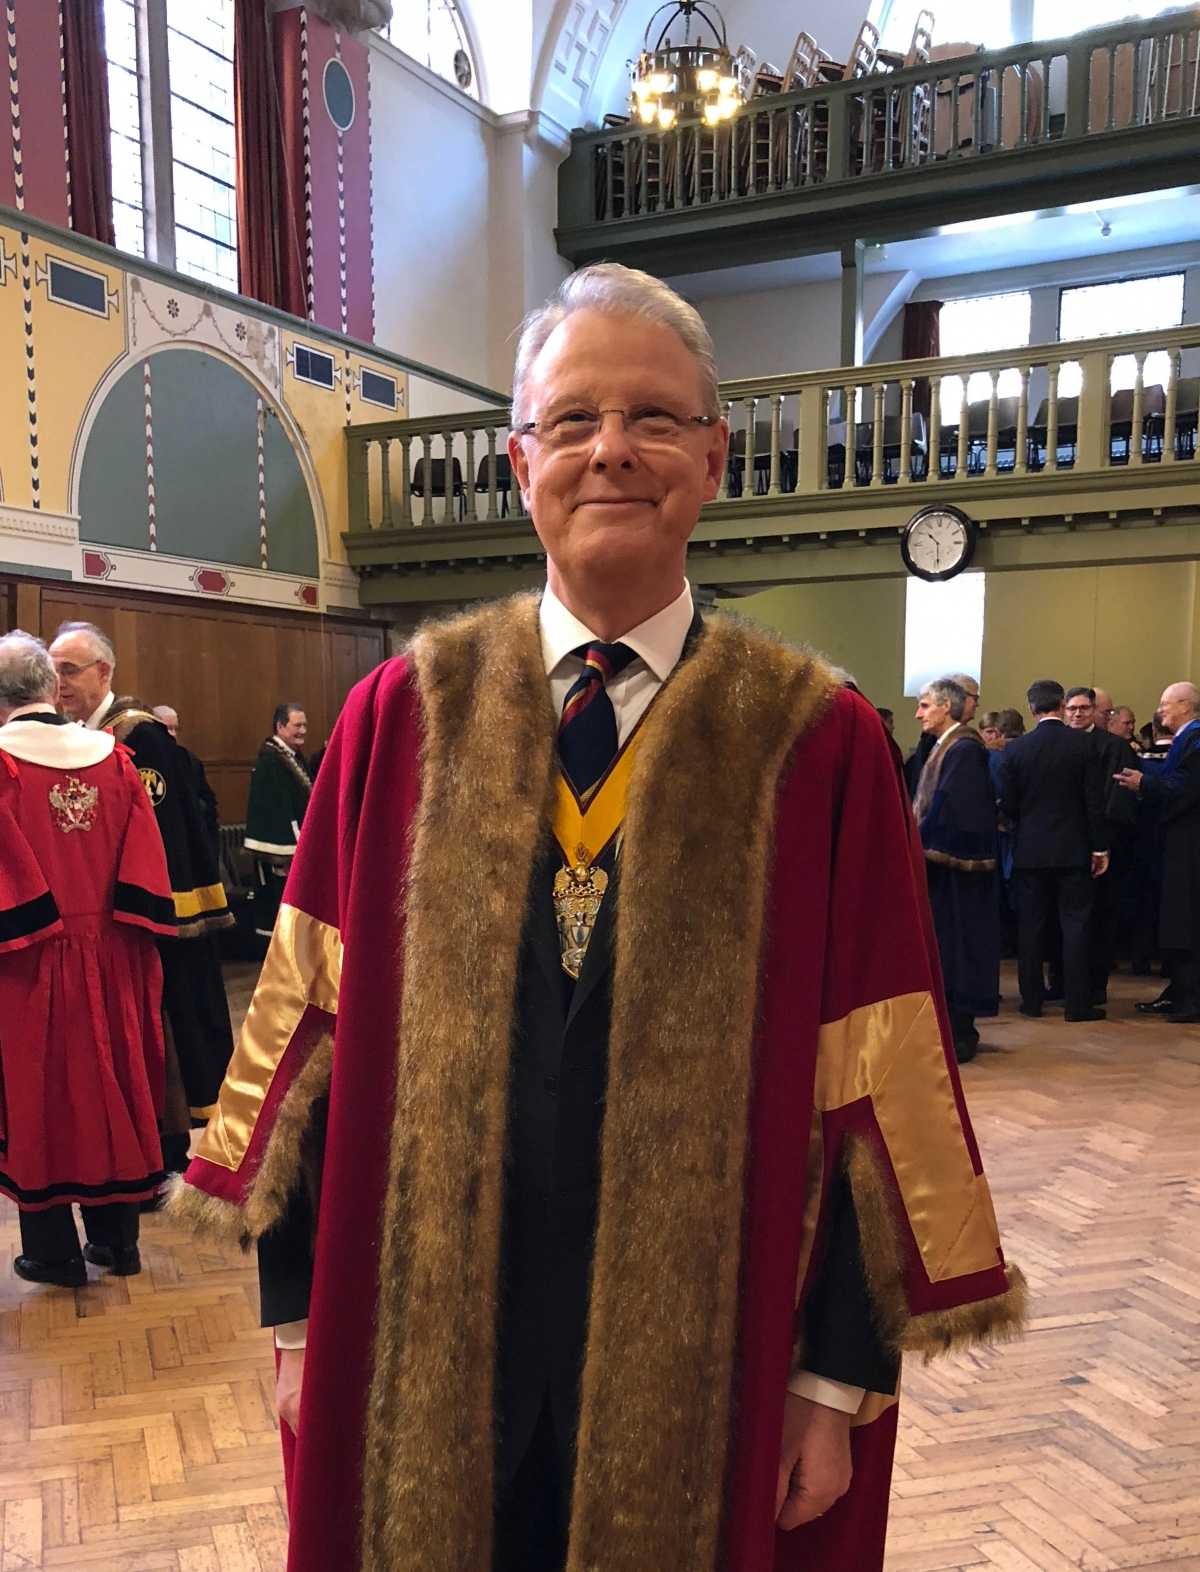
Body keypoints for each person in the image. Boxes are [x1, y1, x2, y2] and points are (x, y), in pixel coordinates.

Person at [170, 264, 1023, 1572]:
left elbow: (884, 1081)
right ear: (522, 463)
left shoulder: (816, 743)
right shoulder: (405, 718)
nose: (611, 449)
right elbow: (303, 1037)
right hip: (425, 1355)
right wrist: (296, 1320)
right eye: (572, 419)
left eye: (654, 418)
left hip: (713, 1368)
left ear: (714, 459)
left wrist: (835, 1382)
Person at [0, 632, 176, 1285]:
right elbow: (148, 869)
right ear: (51, 687)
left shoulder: (3, 766)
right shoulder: (115, 760)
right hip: (113, 954)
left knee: (40, 1096)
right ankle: (117, 1243)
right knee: (114, 1085)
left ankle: (54, 1254)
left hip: (28, 956)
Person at [48, 623, 236, 1163]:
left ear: (104, 671)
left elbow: (164, 839)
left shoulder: (140, 738)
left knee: (167, 1034)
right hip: (114, 923)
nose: (59, 682)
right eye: (53, 671)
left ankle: (169, 1152)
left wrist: (151, 911)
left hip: (158, 921)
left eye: (69, 670)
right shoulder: (84, 736)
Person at [999, 680, 1109, 1022]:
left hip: (1031, 850)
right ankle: (1077, 1004)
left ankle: (1032, 1001)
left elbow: (1009, 805)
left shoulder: (1016, 749)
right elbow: (1094, 802)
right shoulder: (1084, 744)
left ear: (1032, 709)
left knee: (1031, 927)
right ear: (1062, 705)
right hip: (1074, 849)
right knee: (1075, 926)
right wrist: (1099, 848)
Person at [912, 680, 999, 1063]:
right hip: (943, 872)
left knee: (956, 952)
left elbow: (952, 808)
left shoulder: (963, 749)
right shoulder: (945, 746)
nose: (918, 713)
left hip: (955, 874)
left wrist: (918, 843)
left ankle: (959, 1033)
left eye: (925, 705)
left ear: (946, 706)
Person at [1116, 682, 1200, 1022]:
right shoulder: (1186, 738)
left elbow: (1185, 786)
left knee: (1187, 919)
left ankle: (1191, 998)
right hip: (1179, 843)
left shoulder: (1196, 739)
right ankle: (1179, 991)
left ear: (1186, 705)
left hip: (1190, 844)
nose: (1160, 709)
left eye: (1166, 703)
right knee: (1176, 920)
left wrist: (1144, 782)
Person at [244, 702, 312, 938]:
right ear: (280, 727)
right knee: (279, 911)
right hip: (280, 855)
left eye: (304, 725)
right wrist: (291, 848)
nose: (302, 731)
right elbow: (273, 810)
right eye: (297, 725)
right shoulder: (270, 761)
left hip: (296, 847)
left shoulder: (292, 757)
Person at [152, 704, 220, 862]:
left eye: (176, 729)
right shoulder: (148, 761)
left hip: (190, 836)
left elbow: (207, 800)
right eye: (168, 728)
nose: (172, 734)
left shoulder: (190, 760)